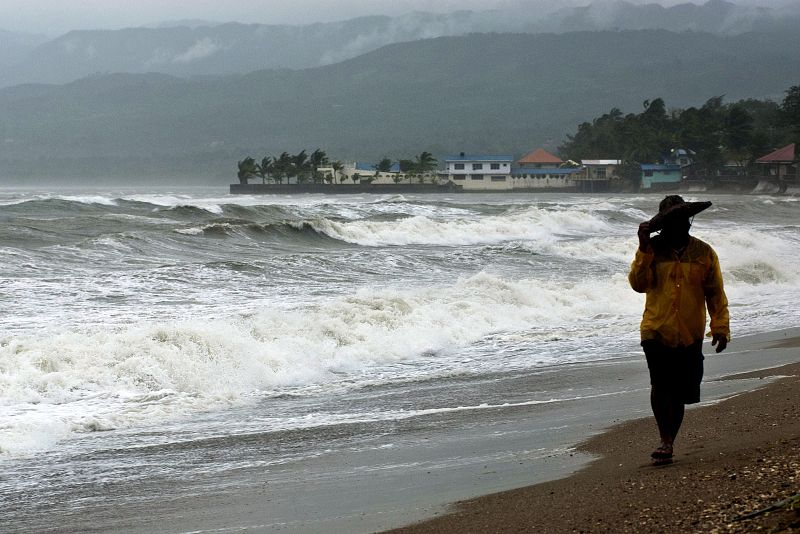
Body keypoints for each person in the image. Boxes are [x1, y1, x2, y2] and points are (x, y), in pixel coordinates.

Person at [628, 195, 730, 466]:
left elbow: (715, 293)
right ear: (663, 225)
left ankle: (669, 440)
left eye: (683, 220)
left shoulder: (704, 252)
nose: (680, 225)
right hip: (656, 328)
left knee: (681, 392)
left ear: (688, 221)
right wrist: (643, 248)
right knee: (660, 384)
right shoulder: (651, 250)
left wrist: (720, 327)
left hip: (690, 331)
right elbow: (638, 284)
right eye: (673, 221)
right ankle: (666, 441)